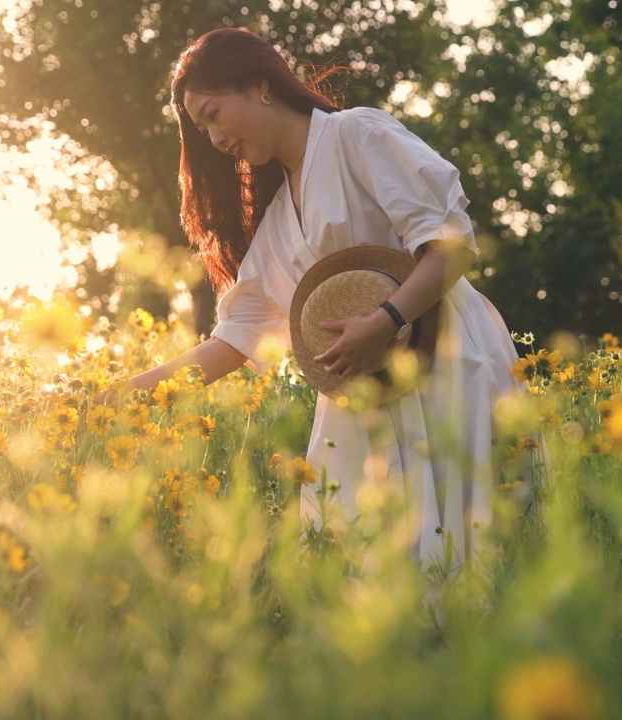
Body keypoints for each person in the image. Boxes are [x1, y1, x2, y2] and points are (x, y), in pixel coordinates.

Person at [127, 27, 530, 568]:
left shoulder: (355, 134)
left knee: (471, 541)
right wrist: (119, 398)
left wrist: (387, 318)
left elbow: (451, 247)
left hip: (447, 359)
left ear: (259, 86)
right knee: (364, 558)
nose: (214, 139)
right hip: (367, 394)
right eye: (202, 129)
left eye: (213, 115)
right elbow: (231, 343)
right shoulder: (274, 224)